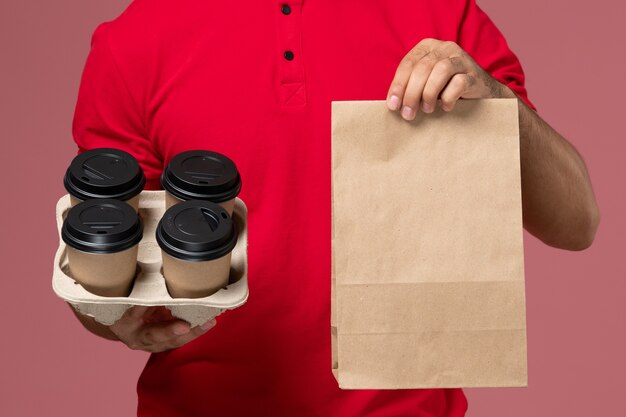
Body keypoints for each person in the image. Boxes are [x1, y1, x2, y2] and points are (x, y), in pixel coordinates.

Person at [69, 0, 599, 416]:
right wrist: (113, 319)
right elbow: (101, 261)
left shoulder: (441, 15)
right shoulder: (132, 41)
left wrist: (495, 102)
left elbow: (577, 222)